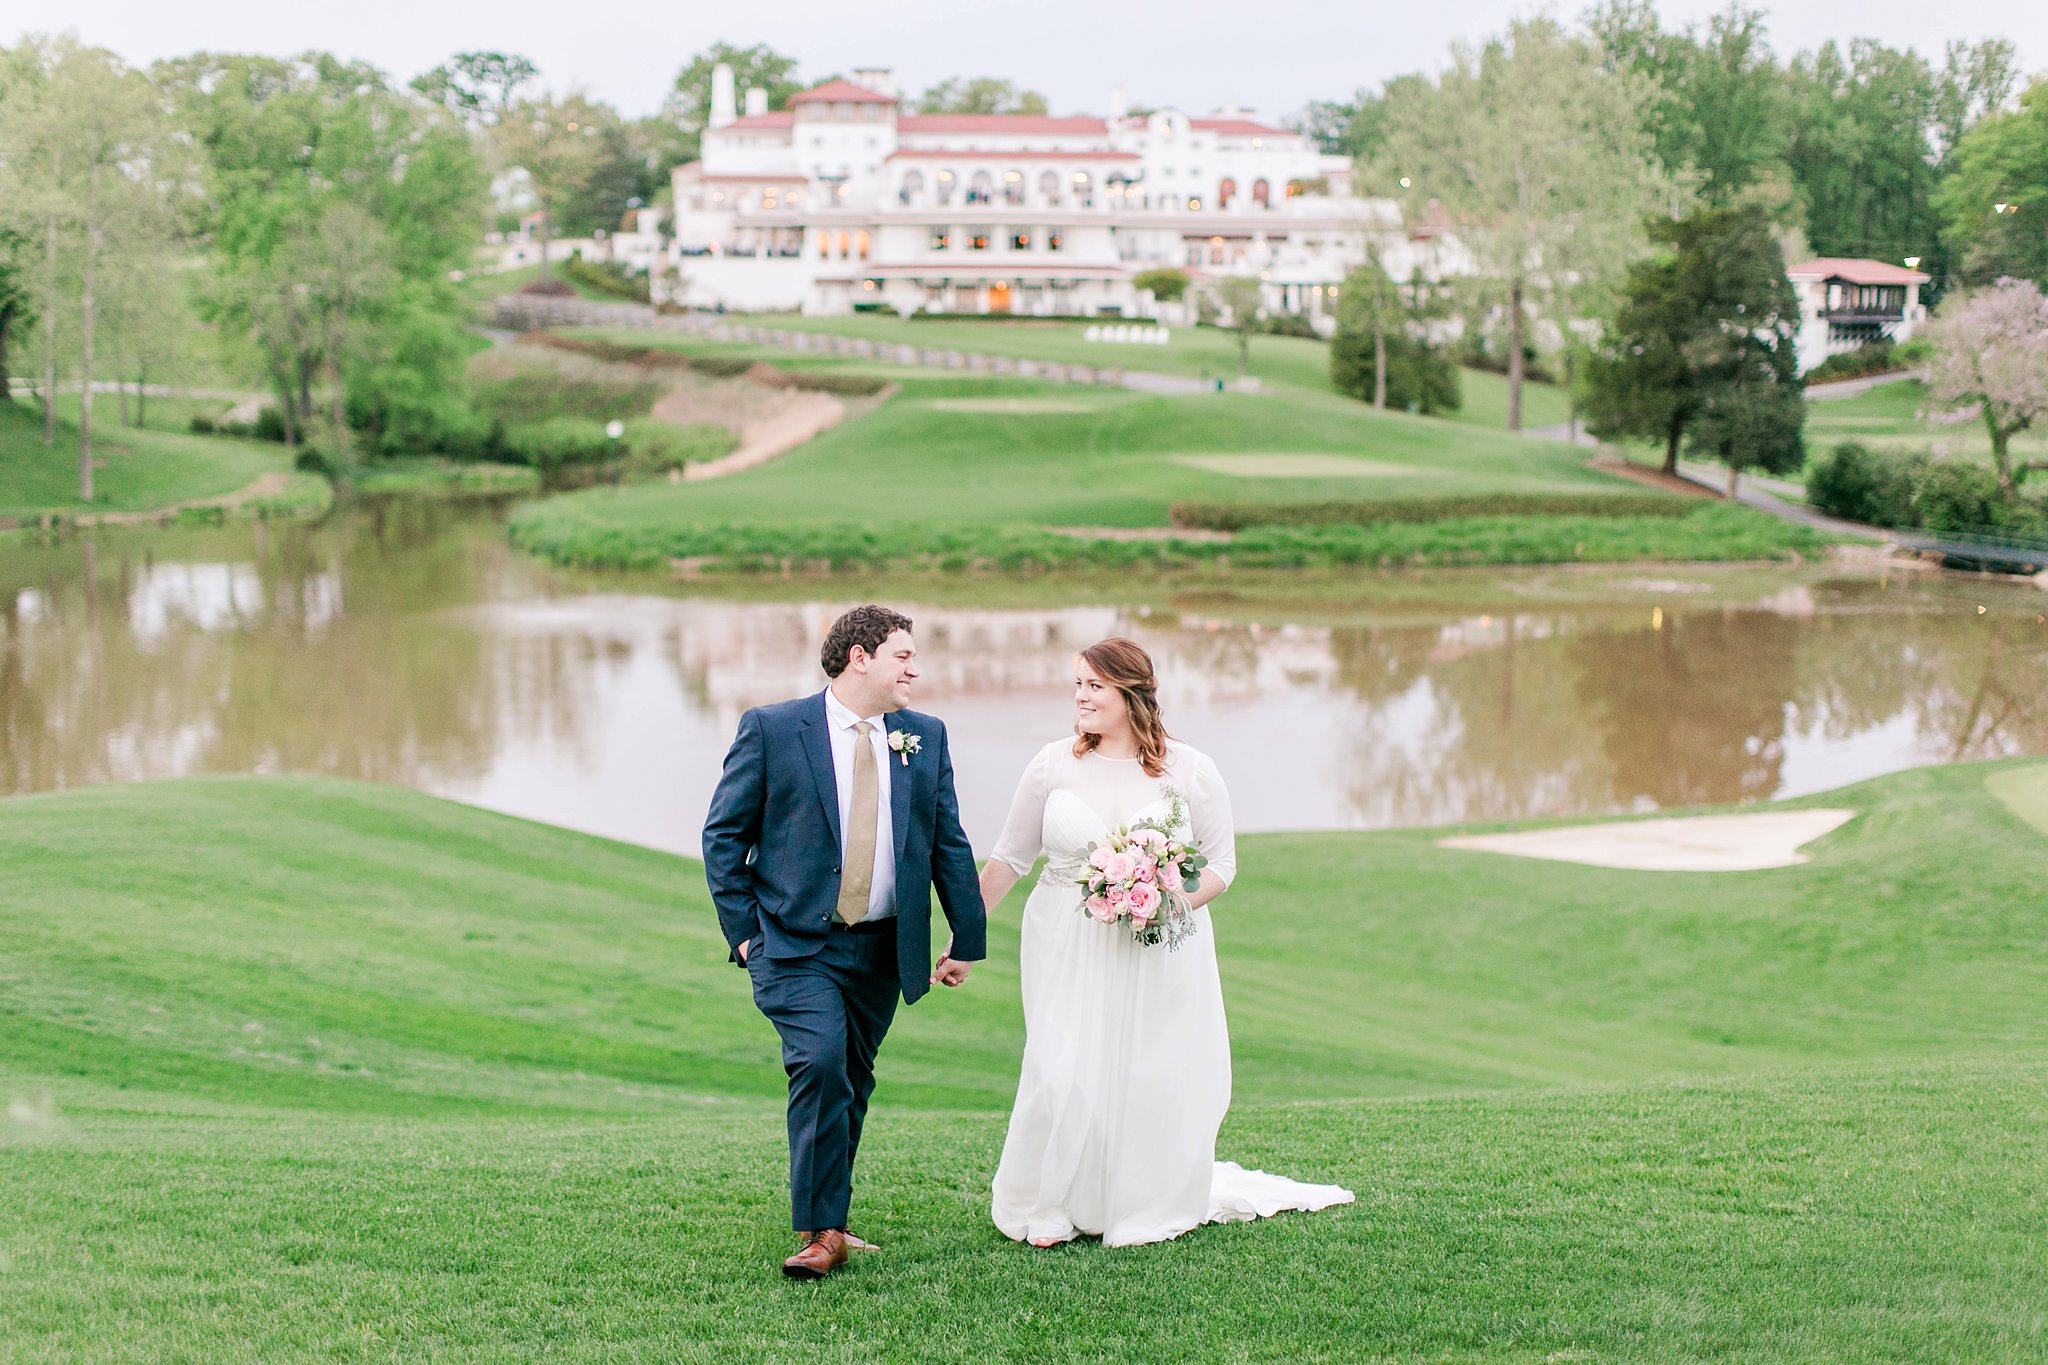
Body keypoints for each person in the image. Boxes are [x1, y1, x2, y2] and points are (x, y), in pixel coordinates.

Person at [980, 636, 1353, 1247]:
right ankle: (1048, 1203)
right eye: (1077, 685)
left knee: (1146, 1066)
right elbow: (1008, 860)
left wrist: (1160, 900)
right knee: (1061, 1066)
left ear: (1131, 695)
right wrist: (964, 935)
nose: (1080, 697)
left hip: (1158, 943)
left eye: (1094, 687)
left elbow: (1223, 865)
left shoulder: (1191, 769)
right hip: (1064, 940)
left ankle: (1136, 1200)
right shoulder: (1051, 763)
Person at [703, 604, 985, 1279]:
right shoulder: (772, 729)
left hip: (883, 949)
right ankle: (821, 1232)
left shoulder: (925, 735)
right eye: (902, 655)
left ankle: (831, 1216)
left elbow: (946, 840)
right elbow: (722, 837)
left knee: (851, 1076)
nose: (914, 667)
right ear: (859, 656)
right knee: (822, 1060)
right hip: (795, 943)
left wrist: (965, 937)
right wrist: (746, 937)